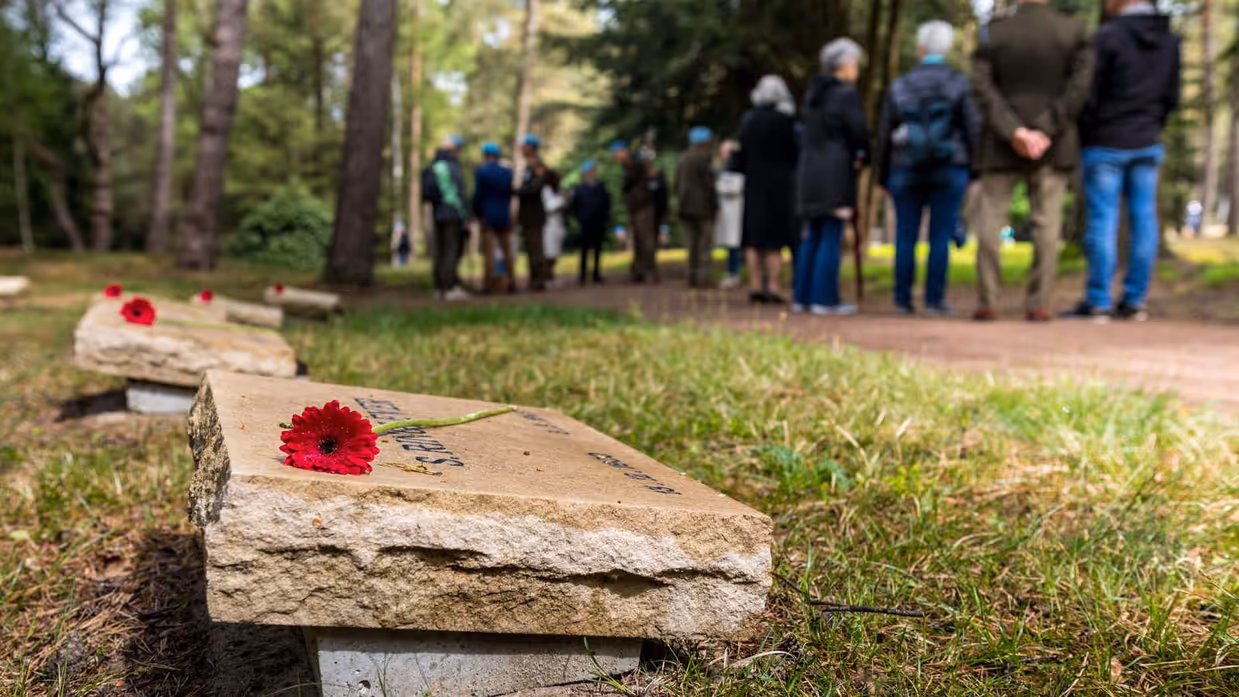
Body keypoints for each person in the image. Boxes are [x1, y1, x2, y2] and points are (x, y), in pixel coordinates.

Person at [972, 0, 1094, 322]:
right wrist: (1044, 129)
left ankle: (988, 300)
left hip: (999, 142)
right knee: (1047, 224)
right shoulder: (1073, 30)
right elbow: (1078, 87)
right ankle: (1038, 302)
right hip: (1053, 144)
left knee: (990, 220)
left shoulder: (993, 31)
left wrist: (1014, 131)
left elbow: (981, 86)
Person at [1065, 0, 1180, 323]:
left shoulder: (1107, 37)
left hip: (1106, 141)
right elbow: (1172, 96)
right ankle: (1134, 301)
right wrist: (1152, 125)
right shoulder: (1169, 40)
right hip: (1147, 141)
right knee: (1144, 220)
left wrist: (1089, 132)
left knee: (1103, 220)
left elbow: (1089, 93)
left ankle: (1098, 300)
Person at [877, 21, 981, 317]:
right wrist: (974, 169)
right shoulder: (958, 83)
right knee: (940, 235)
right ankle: (934, 300)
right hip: (950, 168)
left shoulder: (900, 85)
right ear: (946, 48)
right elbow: (973, 128)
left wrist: (883, 175)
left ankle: (902, 299)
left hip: (905, 168)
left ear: (920, 48)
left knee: (905, 235)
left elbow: (885, 133)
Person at [793, 41, 869, 316]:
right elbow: (858, 131)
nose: (856, 69)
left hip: (809, 171)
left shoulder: (813, 94)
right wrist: (864, 156)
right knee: (831, 234)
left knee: (813, 234)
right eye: (855, 63)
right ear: (844, 64)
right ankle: (825, 299)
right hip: (835, 173)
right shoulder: (844, 94)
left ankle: (802, 297)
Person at [736, 75, 800, 304]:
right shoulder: (785, 121)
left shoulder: (748, 121)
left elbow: (740, 155)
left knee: (753, 238)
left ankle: (754, 284)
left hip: (754, 184)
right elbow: (794, 153)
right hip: (780, 185)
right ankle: (773, 285)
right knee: (774, 238)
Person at [421, 135, 472, 301]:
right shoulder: (452, 166)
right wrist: (467, 214)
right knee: (452, 249)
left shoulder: (434, 166)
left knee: (440, 250)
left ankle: (439, 287)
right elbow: (460, 192)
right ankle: (450, 286)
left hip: (437, 212)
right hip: (453, 212)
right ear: (455, 149)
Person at [676, 126, 721, 288]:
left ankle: (691, 276)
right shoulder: (705, 158)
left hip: (684, 206)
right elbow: (709, 185)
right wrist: (715, 206)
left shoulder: (682, 158)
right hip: (703, 208)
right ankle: (703, 278)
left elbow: (677, 184)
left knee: (691, 244)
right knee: (705, 245)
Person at [611, 141, 659, 283]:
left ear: (623, 151)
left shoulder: (637, 162)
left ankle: (650, 270)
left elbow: (649, 176)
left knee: (646, 240)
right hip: (635, 206)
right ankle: (638, 270)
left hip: (644, 206)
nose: (615, 157)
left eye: (616, 153)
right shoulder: (627, 165)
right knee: (637, 240)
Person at [472, 143, 516, 293]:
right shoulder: (507, 172)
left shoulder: (481, 172)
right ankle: (512, 282)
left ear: (485, 155)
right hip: (504, 214)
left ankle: (487, 285)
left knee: (489, 252)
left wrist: (478, 214)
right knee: (507, 251)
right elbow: (510, 193)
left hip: (488, 216)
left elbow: (478, 196)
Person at [516, 134, 550, 291]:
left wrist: (518, 191)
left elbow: (536, 187)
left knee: (537, 249)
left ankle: (539, 280)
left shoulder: (538, 165)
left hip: (535, 214)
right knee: (530, 248)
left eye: (524, 146)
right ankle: (534, 279)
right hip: (527, 215)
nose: (521, 148)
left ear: (531, 147)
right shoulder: (529, 165)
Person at [569, 160, 612, 286]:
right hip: (585, 223)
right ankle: (582, 275)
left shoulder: (601, 187)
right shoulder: (579, 189)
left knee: (597, 250)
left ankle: (596, 274)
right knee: (584, 250)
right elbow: (573, 206)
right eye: (588, 171)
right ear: (584, 173)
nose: (591, 173)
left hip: (598, 222)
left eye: (592, 170)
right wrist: (578, 218)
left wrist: (606, 219)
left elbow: (607, 204)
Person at [715, 140, 745, 289]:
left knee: (736, 244)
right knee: (733, 244)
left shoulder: (734, 168)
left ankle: (734, 272)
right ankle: (733, 272)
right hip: (730, 213)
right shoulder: (723, 168)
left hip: (737, 212)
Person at [541, 169, 567, 285]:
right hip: (548, 226)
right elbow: (548, 206)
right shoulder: (545, 190)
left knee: (555, 253)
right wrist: (562, 199)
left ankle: (550, 275)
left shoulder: (556, 191)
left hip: (557, 225)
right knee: (548, 254)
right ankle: (547, 277)